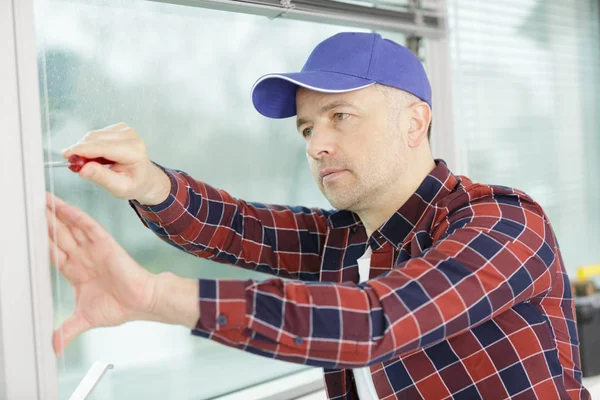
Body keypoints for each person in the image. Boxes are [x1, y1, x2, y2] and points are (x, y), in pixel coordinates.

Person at [46, 32, 589, 399]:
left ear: (414, 123)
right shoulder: (347, 240)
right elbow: (238, 228)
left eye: (340, 116)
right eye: (308, 128)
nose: (317, 144)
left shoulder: (504, 223)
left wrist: (153, 297)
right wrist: (147, 183)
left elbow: (374, 321)